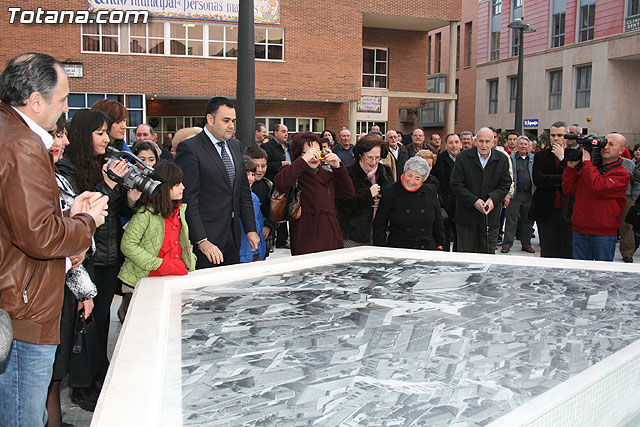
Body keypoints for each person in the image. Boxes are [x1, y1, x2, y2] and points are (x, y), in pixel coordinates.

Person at [0, 52, 107, 427]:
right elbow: (39, 236)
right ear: (35, 100)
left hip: (18, 299)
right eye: (62, 99)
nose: (66, 108)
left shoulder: (9, 134)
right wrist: (85, 221)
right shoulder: (23, 145)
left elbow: (21, 222)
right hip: (25, 310)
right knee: (21, 416)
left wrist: (67, 217)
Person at [57, 108, 140, 410]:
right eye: (100, 133)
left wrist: (129, 198)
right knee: (84, 322)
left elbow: (114, 214)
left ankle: (98, 375)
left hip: (108, 255)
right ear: (83, 135)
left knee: (102, 318)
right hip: (83, 261)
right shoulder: (66, 169)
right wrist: (107, 185)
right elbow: (83, 216)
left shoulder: (103, 164)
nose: (107, 138)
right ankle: (81, 385)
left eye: (107, 132)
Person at [44, 115, 98, 427]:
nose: (62, 142)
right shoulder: (40, 179)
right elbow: (57, 240)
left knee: (54, 369)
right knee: (44, 370)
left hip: (64, 286)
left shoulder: (58, 179)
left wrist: (82, 291)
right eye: (56, 135)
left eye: (63, 135)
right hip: (42, 291)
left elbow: (74, 248)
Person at [175, 97, 259, 267]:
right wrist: (201, 240)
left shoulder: (235, 145)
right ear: (210, 119)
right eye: (226, 120)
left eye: (233, 121)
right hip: (207, 240)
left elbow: (242, 191)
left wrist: (250, 229)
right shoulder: (190, 148)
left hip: (233, 236)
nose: (231, 126)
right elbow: (189, 199)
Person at [273, 132, 355, 255]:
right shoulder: (293, 172)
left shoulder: (327, 174)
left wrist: (338, 167)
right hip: (306, 232)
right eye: (309, 153)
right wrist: (303, 161)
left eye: (317, 152)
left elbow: (348, 193)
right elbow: (281, 183)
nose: (314, 157)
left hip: (331, 232)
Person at [563, 133, 629, 261]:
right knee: (579, 274)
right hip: (580, 229)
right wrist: (570, 169)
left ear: (621, 151)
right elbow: (568, 190)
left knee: (602, 276)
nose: (605, 147)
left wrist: (587, 163)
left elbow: (599, 187)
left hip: (603, 233)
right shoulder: (590, 169)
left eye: (611, 144)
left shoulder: (621, 174)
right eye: (604, 143)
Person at [450, 127, 512, 254]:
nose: (484, 145)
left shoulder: (502, 159)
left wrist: (493, 199)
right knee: (466, 255)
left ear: (493, 142)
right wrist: (474, 201)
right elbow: (456, 183)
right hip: (466, 216)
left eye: (487, 141)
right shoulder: (463, 158)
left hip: (490, 216)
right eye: (481, 141)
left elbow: (505, 184)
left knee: (487, 254)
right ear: (475, 141)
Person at [373, 157, 446, 250]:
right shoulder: (390, 192)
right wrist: (380, 249)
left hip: (426, 248)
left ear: (423, 179)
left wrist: (440, 244)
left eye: (417, 178)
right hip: (399, 248)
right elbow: (380, 224)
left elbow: (438, 222)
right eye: (409, 175)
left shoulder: (430, 191)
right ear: (404, 172)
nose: (411, 181)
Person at [337, 134, 393, 247]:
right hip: (353, 236)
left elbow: (394, 200)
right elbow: (342, 206)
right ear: (361, 155)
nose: (374, 161)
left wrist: (382, 202)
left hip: (380, 234)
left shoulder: (386, 172)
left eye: (377, 158)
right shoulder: (347, 174)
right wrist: (368, 195)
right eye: (370, 157)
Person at [530, 121, 573, 258]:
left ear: (566, 136)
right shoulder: (541, 155)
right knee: (548, 250)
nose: (556, 138)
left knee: (566, 249)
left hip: (567, 210)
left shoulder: (573, 156)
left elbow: (574, 179)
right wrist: (561, 179)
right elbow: (538, 180)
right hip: (546, 209)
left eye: (560, 135)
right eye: (553, 135)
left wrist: (562, 157)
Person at [501, 136, 536, 253]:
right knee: (511, 220)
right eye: (521, 144)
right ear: (517, 145)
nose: (523, 146)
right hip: (515, 195)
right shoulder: (511, 159)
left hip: (528, 194)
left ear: (529, 146)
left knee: (527, 221)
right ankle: (507, 244)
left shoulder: (533, 159)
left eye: (525, 144)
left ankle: (526, 244)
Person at [262, 123, 292, 248]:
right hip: (272, 185)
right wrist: (280, 164)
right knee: (273, 212)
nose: (286, 134)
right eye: (283, 131)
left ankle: (282, 240)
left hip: (288, 185)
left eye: (287, 131)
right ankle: (271, 239)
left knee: (285, 212)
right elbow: (263, 166)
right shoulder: (267, 147)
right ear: (275, 133)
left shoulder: (290, 147)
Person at [431, 133, 462, 251]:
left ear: (461, 144)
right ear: (445, 145)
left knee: (460, 235)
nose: (454, 145)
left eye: (456, 142)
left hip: (461, 203)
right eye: (451, 143)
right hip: (444, 203)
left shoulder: (466, 159)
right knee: (445, 234)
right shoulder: (439, 160)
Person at [245, 145, 275, 256]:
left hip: (264, 237)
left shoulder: (268, 185)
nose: (259, 170)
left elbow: (273, 211)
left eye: (263, 166)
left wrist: (269, 225)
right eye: (255, 166)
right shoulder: (242, 187)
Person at [239, 156, 267, 262]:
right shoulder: (234, 198)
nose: (250, 178)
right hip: (241, 250)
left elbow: (259, 224)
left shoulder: (254, 197)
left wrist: (262, 249)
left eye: (253, 175)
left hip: (255, 249)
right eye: (246, 174)